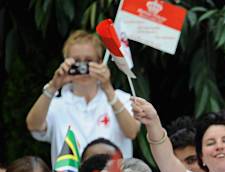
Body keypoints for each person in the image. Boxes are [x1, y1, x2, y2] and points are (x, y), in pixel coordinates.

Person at [25, 30, 140, 161]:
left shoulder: (120, 98)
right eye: (76, 61)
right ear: (66, 63)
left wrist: (108, 88)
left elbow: (132, 131)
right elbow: (33, 126)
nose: (82, 67)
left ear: (100, 62)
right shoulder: (56, 105)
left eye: (88, 60)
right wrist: (53, 86)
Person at [131, 97, 225, 172]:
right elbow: (166, 160)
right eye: (211, 143)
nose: (219, 146)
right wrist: (153, 123)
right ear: (201, 156)